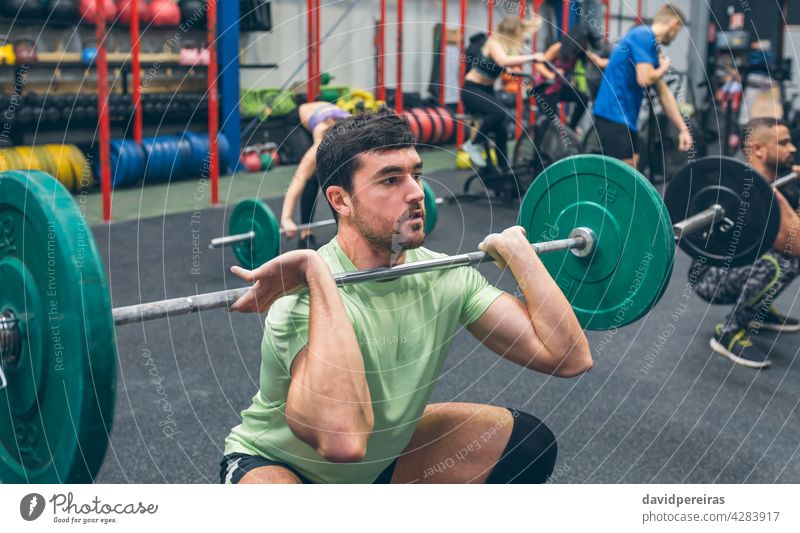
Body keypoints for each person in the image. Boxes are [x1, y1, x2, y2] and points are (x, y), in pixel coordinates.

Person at [219, 111, 592, 484]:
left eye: (416, 174)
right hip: (283, 465)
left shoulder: (445, 274)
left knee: (527, 443)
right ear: (341, 200)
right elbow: (342, 442)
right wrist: (316, 271)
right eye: (390, 180)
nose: (415, 192)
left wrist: (522, 257)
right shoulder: (298, 302)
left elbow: (569, 356)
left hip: (380, 462)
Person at [692, 118, 800, 369]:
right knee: (780, 263)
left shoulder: (786, 183)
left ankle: (757, 311)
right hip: (710, 277)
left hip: (743, 264)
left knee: (786, 258)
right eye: (784, 143)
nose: (793, 148)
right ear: (758, 149)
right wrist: (771, 194)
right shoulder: (741, 188)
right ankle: (728, 333)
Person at [591, 4, 692, 167]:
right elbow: (644, 79)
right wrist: (663, 68)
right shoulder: (644, 36)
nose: (674, 38)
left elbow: (664, 94)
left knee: (633, 170)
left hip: (626, 119)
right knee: (624, 178)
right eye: (677, 33)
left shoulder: (648, 45)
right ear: (674, 25)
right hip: (613, 115)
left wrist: (683, 129)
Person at [460, 15, 545, 169]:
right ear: (510, 33)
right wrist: (532, 57)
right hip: (471, 90)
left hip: (487, 90)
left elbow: (507, 67)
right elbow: (502, 61)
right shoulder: (494, 43)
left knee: (502, 130)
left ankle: (504, 168)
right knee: (499, 113)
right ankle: (473, 144)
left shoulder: (504, 48)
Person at [280, 101, 351, 249]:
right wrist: (286, 218)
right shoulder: (321, 140)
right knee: (312, 178)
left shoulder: (355, 134)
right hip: (298, 121)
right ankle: (306, 233)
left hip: (327, 115)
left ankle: (344, 227)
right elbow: (300, 177)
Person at [533, 24, 608, 131]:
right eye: (584, 42)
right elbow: (538, 65)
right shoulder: (558, 47)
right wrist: (552, 75)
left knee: (583, 99)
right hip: (545, 88)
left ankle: (571, 129)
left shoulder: (579, 52)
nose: (585, 45)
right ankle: (538, 145)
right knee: (549, 121)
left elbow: (599, 62)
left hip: (559, 88)